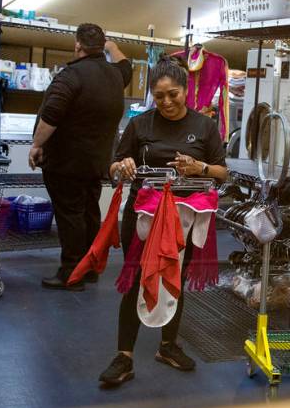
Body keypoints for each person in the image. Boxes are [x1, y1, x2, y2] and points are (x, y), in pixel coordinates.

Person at [99, 57, 228, 386]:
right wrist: (123, 166)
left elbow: (222, 172)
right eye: (159, 96)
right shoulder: (140, 125)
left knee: (176, 276)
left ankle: (168, 346)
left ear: (185, 91)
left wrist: (200, 168)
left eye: (173, 94)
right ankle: (124, 356)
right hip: (144, 215)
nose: (167, 102)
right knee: (138, 277)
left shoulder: (205, 127)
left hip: (187, 217)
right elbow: (112, 168)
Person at [28, 23, 132, 290]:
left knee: (70, 216)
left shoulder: (71, 76)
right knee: (88, 213)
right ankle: (89, 268)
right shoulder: (115, 75)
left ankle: (71, 273)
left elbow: (51, 116)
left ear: (77, 46)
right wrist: (112, 47)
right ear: (101, 45)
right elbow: (126, 65)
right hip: (96, 163)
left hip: (66, 163)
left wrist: (36, 145)